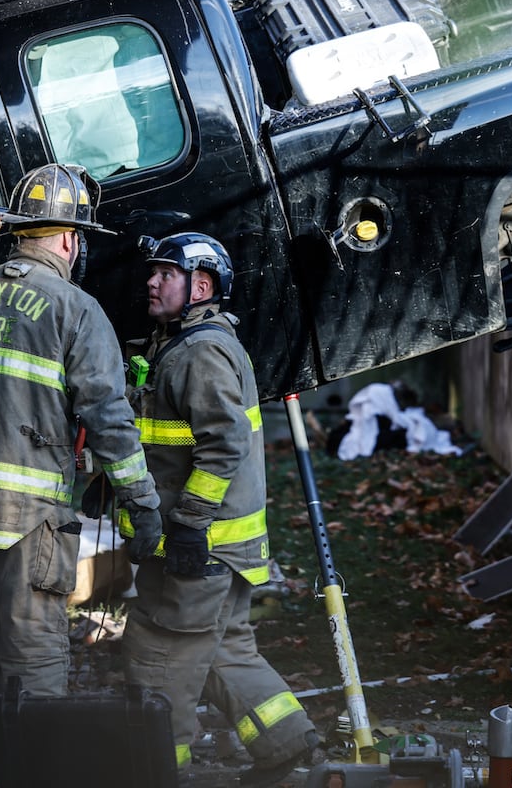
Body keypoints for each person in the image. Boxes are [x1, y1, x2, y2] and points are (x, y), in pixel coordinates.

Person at [0, 163, 162, 788]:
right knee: (33, 652)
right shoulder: (77, 310)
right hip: (30, 519)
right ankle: (33, 772)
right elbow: (109, 419)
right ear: (69, 239)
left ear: (18, 231)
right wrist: (141, 504)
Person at [121, 232, 322, 787]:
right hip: (225, 548)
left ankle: (159, 771)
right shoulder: (178, 344)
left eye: (166, 273)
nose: (152, 282)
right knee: (226, 648)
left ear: (201, 285)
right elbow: (169, 440)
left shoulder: (199, 351)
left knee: (159, 654)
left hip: (200, 545)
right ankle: (287, 744)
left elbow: (225, 444)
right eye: (153, 271)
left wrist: (187, 523)